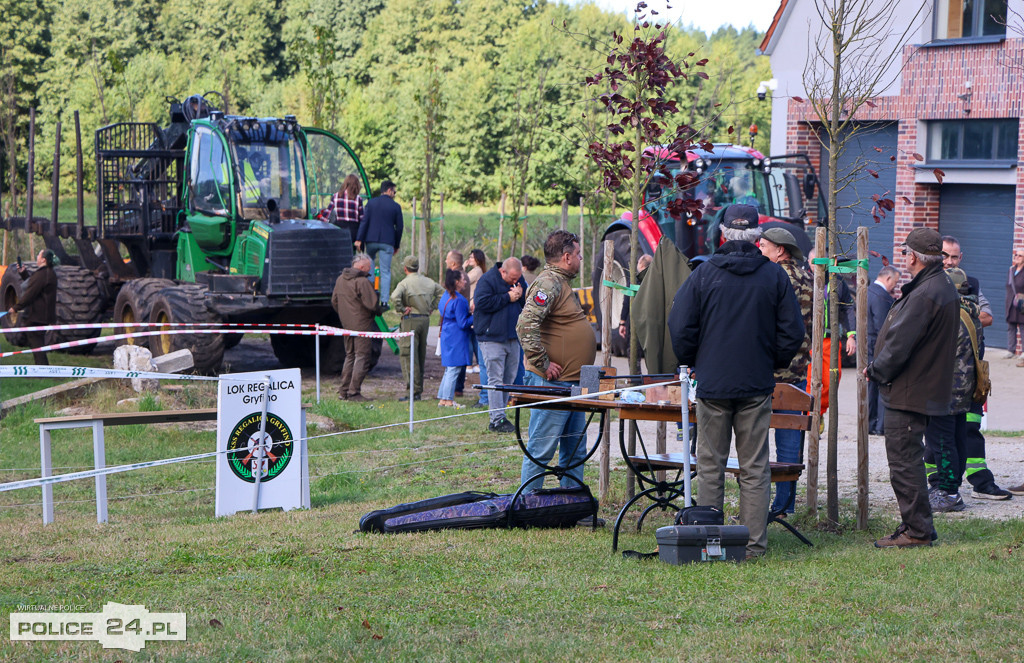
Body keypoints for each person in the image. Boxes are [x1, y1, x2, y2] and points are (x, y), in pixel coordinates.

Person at [668, 204, 804, 560]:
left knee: (711, 464)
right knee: (755, 467)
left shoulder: (703, 274)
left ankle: (710, 542)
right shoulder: (774, 276)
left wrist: (694, 362)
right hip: (756, 384)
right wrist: (770, 362)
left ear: (723, 233)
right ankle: (754, 546)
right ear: (757, 236)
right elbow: (793, 333)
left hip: (713, 384)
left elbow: (680, 325)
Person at [866, 228, 959, 548]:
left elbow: (900, 345)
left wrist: (875, 370)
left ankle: (917, 531)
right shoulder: (935, 285)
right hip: (918, 387)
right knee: (908, 460)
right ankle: (918, 526)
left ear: (916, 258)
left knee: (904, 462)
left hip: (910, 390)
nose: (902, 258)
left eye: (905, 253)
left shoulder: (926, 293)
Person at [516, 230, 597, 497]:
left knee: (574, 447)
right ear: (566, 257)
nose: (581, 258)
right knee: (542, 447)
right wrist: (543, 363)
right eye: (577, 253)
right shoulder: (548, 283)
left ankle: (572, 503)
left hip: (572, 383)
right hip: (552, 382)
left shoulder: (561, 283)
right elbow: (525, 325)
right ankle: (527, 504)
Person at [938, 236, 1010, 500]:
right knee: (938, 432)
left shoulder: (970, 284)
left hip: (970, 373)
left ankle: (980, 481)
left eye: (954, 257)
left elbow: (988, 317)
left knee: (970, 427)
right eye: (944, 256)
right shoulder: (927, 283)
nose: (949, 261)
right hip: (937, 374)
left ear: (961, 258)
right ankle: (936, 483)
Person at [759, 227, 813, 517]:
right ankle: (785, 505)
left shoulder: (774, 277)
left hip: (772, 370)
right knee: (790, 442)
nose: (759, 250)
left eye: (764, 246)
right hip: (799, 369)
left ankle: (760, 506)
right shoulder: (809, 278)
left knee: (757, 441)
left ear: (781, 250)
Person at [920, 267, 979, 513]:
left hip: (945, 389)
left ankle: (949, 492)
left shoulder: (951, 312)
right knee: (955, 438)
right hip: (963, 388)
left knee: (942, 441)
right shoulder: (970, 311)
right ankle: (950, 487)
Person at [474, 257, 527, 433]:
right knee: (495, 379)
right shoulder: (487, 280)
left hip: (512, 337)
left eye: (518, 278)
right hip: (492, 338)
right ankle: (496, 419)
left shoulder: (519, 280)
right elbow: (481, 303)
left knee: (508, 379)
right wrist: (507, 297)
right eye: (512, 278)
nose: (515, 281)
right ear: (502, 271)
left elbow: (525, 303)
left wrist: (520, 294)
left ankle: (501, 414)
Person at [390, 255, 443, 402]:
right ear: (417, 267)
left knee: (408, 355)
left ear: (405, 268)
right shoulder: (428, 281)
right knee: (420, 354)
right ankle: (418, 389)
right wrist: (431, 307)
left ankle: (411, 391)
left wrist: (401, 308)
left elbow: (394, 296)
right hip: (425, 320)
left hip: (410, 320)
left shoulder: (404, 283)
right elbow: (442, 292)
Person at [331, 253, 379, 401]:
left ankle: (343, 391)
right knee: (362, 357)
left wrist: (345, 316)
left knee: (350, 356)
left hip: (346, 325)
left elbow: (334, 301)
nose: (370, 269)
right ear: (362, 267)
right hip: (362, 325)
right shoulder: (362, 282)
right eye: (369, 267)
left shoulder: (340, 280)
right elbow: (372, 304)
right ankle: (354, 392)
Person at [355, 180, 402, 306]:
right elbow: (399, 228)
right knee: (385, 271)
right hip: (387, 242)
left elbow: (364, 222)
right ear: (389, 190)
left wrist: (359, 239)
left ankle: (369, 298)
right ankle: (384, 301)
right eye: (394, 191)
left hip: (371, 240)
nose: (394, 194)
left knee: (369, 268)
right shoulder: (396, 207)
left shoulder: (371, 203)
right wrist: (396, 245)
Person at [7, 249, 58, 365]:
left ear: (43, 260)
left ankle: (42, 370)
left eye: (39, 255)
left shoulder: (43, 274)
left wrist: (15, 307)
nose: (37, 257)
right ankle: (42, 369)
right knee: (35, 342)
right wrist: (24, 273)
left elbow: (30, 293)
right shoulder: (47, 273)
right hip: (41, 315)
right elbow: (34, 284)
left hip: (37, 316)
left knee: (36, 343)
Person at [867, 266, 900, 435]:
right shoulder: (881, 297)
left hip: (868, 346)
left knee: (870, 388)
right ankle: (879, 426)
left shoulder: (867, 291)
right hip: (876, 347)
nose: (895, 286)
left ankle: (870, 424)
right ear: (888, 279)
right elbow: (883, 327)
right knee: (881, 385)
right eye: (895, 282)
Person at [437, 269, 473, 409]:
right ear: (457, 282)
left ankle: (443, 399)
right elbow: (463, 322)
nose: (465, 281)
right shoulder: (459, 300)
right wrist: (474, 315)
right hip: (456, 336)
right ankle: (448, 400)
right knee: (454, 369)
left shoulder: (445, 296)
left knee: (449, 368)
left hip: (447, 333)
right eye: (463, 279)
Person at [465, 249, 488, 404]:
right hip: (472, 305)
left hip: (472, 306)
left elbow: (462, 280)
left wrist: (462, 267)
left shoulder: (476, 271)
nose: (470, 259)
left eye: (471, 257)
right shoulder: (479, 270)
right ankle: (476, 362)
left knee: (472, 337)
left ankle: (472, 363)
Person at [317, 173, 364, 239]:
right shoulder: (358, 199)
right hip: (354, 231)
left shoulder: (336, 196)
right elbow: (362, 218)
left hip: (340, 229)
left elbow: (326, 214)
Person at [1005, 246, 1024, 363]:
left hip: (1022, 303)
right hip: (1011, 302)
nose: (1017, 257)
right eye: (1016, 255)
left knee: (1023, 327)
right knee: (1011, 326)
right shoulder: (1011, 270)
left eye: (1020, 255)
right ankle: (1011, 350)